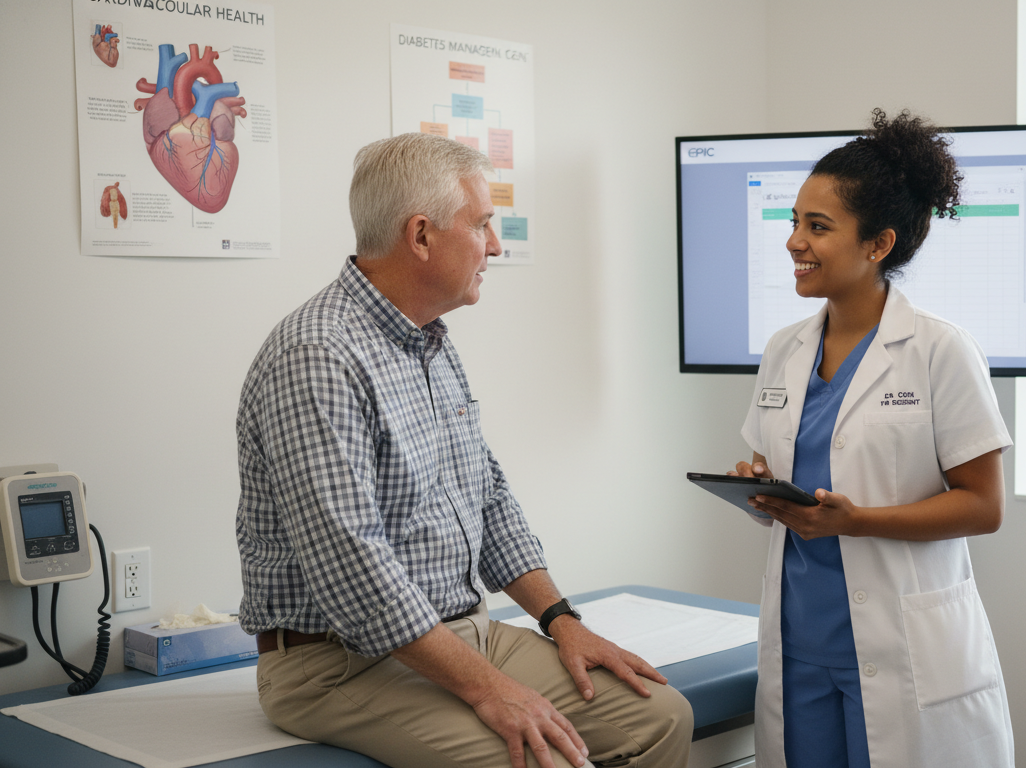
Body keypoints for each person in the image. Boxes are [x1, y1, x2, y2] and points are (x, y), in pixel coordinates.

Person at [235, 132, 692, 768]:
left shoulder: (429, 341)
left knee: (661, 717)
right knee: (544, 760)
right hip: (338, 663)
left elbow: (487, 496)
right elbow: (354, 567)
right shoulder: (318, 355)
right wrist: (489, 689)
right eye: (481, 225)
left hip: (461, 632)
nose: (496, 245)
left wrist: (562, 620)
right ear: (421, 236)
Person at [729, 109, 1014, 768]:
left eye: (817, 226)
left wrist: (857, 522)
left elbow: (983, 506)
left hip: (901, 646)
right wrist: (757, 490)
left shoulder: (941, 350)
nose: (794, 241)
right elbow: (775, 472)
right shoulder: (784, 350)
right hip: (800, 643)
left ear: (877, 244)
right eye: (794, 222)